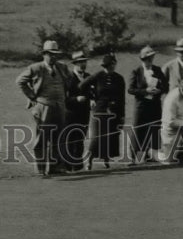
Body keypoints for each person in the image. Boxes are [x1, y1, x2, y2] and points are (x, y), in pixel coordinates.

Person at [16, 40, 70, 176]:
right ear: (44, 54)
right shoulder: (36, 68)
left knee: (58, 138)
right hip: (43, 107)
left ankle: (56, 167)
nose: (54, 57)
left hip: (60, 106)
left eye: (55, 54)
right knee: (42, 138)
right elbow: (20, 81)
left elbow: (69, 82)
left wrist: (65, 97)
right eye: (51, 54)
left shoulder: (62, 67)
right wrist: (32, 97)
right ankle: (41, 169)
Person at [82, 52, 126, 169]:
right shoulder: (97, 76)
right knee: (97, 137)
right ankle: (89, 159)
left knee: (110, 136)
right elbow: (82, 85)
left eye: (112, 65)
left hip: (114, 111)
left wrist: (122, 116)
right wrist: (91, 97)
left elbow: (122, 98)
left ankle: (106, 159)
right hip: (99, 111)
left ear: (115, 64)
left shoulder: (119, 78)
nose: (110, 68)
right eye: (107, 66)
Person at [128, 45, 167, 164]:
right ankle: (134, 157)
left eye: (151, 58)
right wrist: (146, 91)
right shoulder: (136, 71)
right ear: (143, 59)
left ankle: (153, 155)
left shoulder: (158, 70)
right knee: (138, 130)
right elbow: (130, 89)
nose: (150, 61)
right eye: (148, 59)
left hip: (154, 105)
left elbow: (165, 86)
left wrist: (159, 90)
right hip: (141, 106)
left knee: (155, 129)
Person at [63, 50, 92, 172]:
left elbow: (93, 93)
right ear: (74, 64)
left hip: (84, 114)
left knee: (80, 140)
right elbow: (64, 98)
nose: (82, 65)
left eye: (84, 62)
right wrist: (76, 99)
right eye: (79, 62)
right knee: (70, 140)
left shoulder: (89, 77)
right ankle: (68, 166)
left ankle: (77, 166)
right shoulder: (68, 78)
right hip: (71, 113)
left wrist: (92, 100)